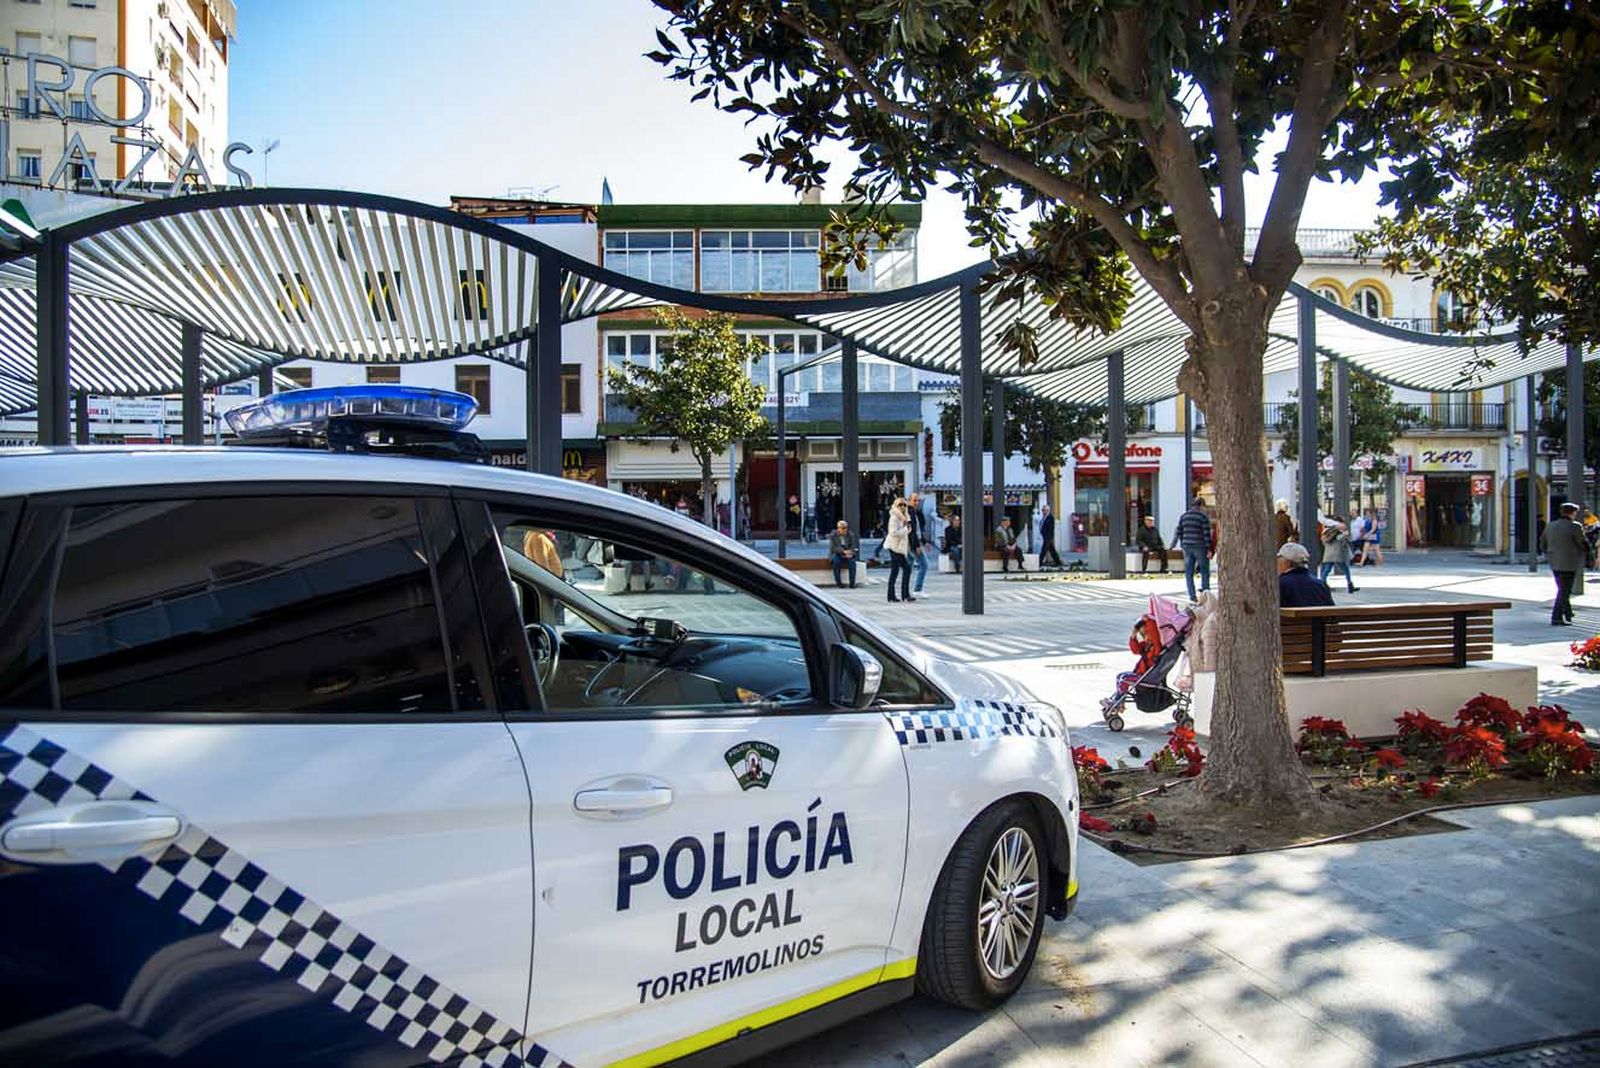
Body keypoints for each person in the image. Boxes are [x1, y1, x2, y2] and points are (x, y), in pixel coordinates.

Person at [1541, 502, 1589, 626]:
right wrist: (1588, 553)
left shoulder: (1550, 525)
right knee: (1564, 590)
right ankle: (1556, 617)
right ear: (1573, 513)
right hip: (1569, 562)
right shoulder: (1575, 526)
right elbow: (1582, 543)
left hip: (1554, 562)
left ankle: (1568, 612)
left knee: (1562, 588)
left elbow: (1542, 544)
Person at [1172, 498, 1213, 600]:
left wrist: (1180, 543)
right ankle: (1205, 594)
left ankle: (1192, 595)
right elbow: (1206, 534)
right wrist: (1209, 549)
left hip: (1187, 546)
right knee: (1204, 570)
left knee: (1189, 572)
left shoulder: (1184, 516)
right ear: (1201, 505)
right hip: (1200, 546)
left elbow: (1178, 531)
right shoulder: (1202, 517)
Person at [1277, 541, 1335, 607]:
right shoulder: (1320, 584)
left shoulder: (1279, 584)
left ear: (1286, 562)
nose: (1277, 562)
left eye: (1279, 558)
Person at [1318, 513, 1359, 593]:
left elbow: (1324, 542)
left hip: (1328, 554)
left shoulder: (1326, 531)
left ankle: (1322, 584)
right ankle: (1350, 585)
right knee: (1345, 569)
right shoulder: (1337, 531)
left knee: (1326, 570)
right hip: (1337, 554)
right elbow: (1341, 540)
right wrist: (1345, 535)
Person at [884, 497, 914, 602]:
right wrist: (906, 530)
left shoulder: (905, 517)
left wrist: (907, 530)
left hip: (899, 547)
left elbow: (904, 532)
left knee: (896, 570)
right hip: (894, 547)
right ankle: (904, 595)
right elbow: (893, 532)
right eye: (900, 505)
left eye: (904, 505)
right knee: (906, 569)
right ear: (896, 505)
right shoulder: (894, 517)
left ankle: (893, 596)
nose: (902, 507)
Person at [907, 492, 931, 594]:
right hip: (912, 544)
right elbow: (912, 531)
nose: (916, 502)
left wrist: (925, 542)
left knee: (908, 567)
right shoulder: (910, 513)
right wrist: (917, 545)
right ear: (909, 501)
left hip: (913, 543)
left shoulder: (917, 513)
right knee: (924, 565)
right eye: (914, 500)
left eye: (918, 500)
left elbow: (920, 529)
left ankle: (905, 591)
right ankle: (918, 589)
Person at [827, 519, 860, 589]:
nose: (845, 530)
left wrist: (851, 552)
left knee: (852, 563)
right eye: (843, 528)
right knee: (836, 562)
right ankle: (839, 583)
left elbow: (853, 546)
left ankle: (852, 583)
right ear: (838, 528)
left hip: (848, 553)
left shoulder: (850, 534)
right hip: (837, 553)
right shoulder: (833, 535)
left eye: (846, 528)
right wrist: (843, 552)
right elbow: (833, 548)